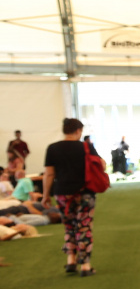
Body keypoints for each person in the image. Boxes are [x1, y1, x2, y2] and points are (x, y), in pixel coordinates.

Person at [43, 118, 98, 276]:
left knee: (69, 226)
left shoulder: (52, 148)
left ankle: (71, 260)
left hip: (62, 193)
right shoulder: (86, 147)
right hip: (84, 192)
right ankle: (85, 265)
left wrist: (45, 195)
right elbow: (100, 164)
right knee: (84, 226)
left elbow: (49, 174)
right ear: (78, 130)